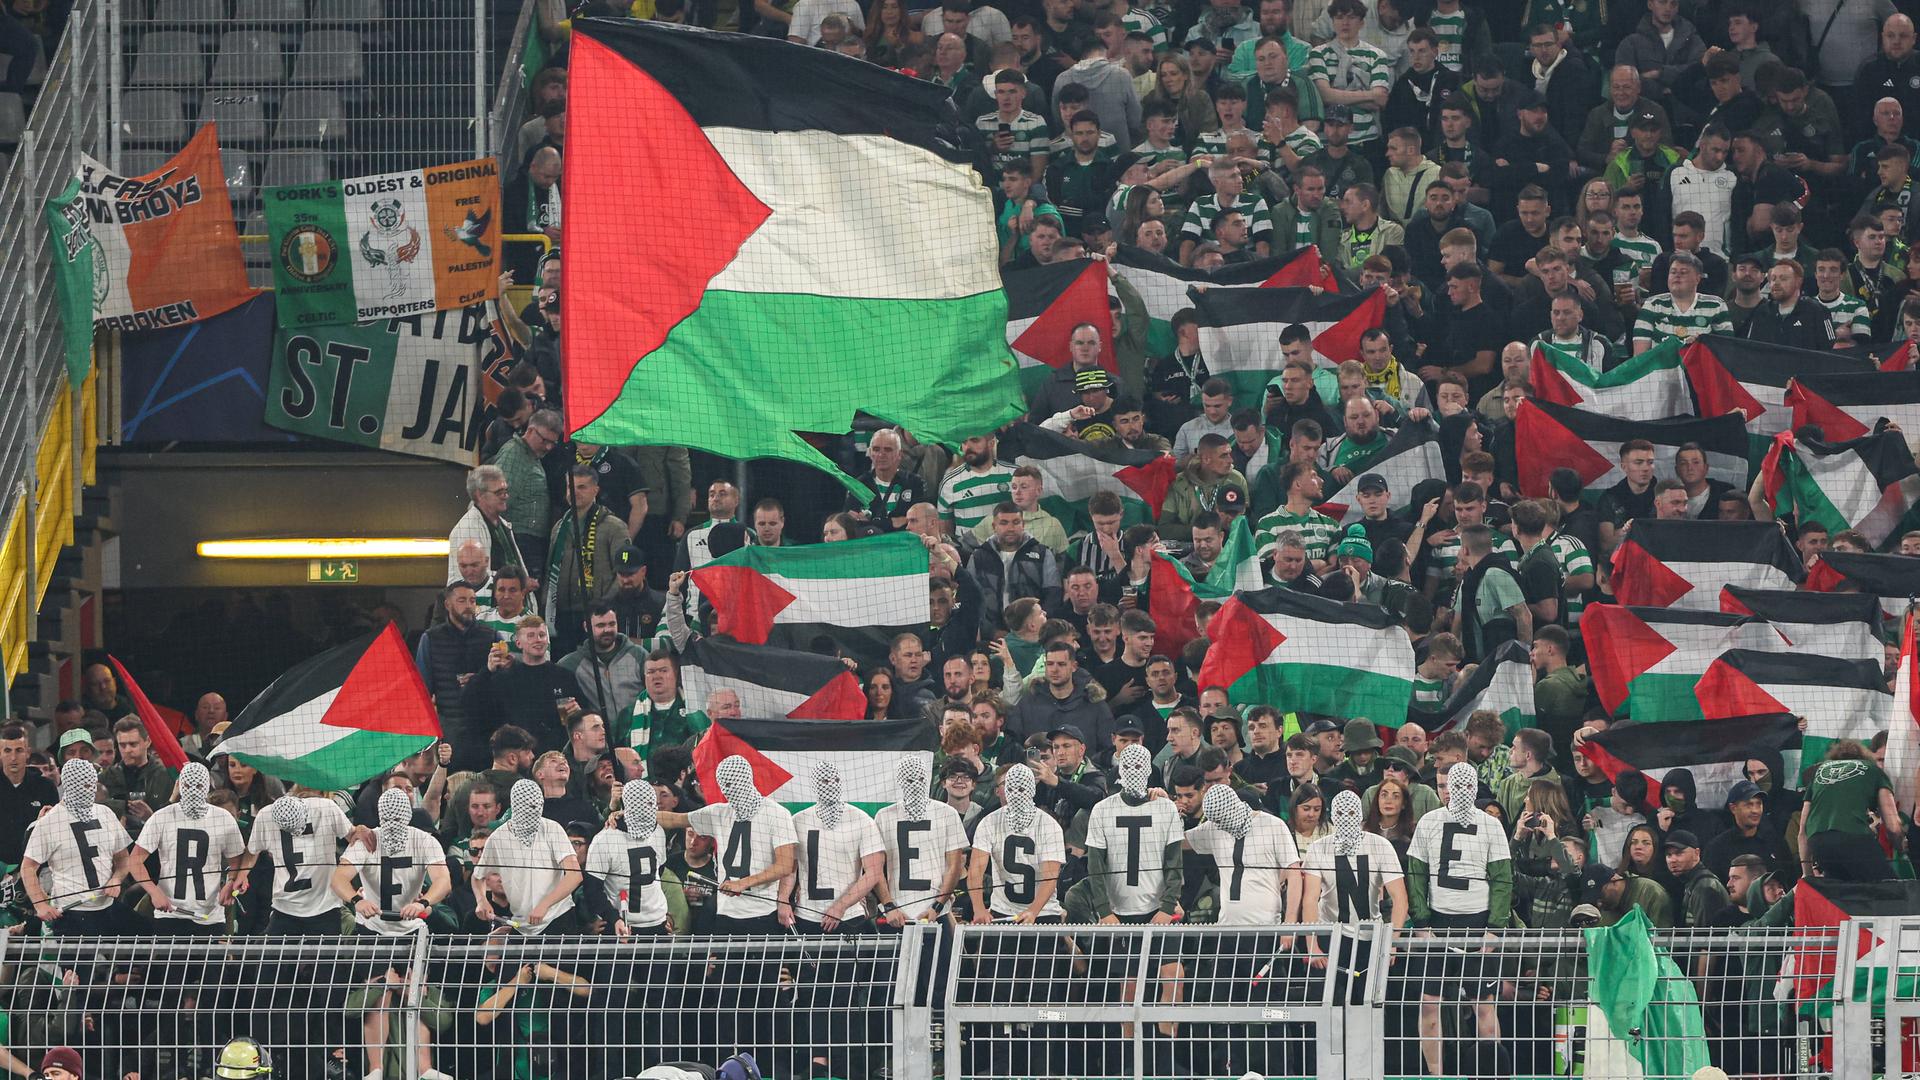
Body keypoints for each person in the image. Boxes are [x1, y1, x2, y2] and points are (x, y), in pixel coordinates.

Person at [1407, 762, 1510, 1078]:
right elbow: (1416, 873)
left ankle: (1490, 1073)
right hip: (1439, 921)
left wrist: (1494, 928)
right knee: (1429, 1003)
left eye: (1469, 786)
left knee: (1484, 1004)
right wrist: (1422, 923)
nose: (1463, 792)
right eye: (1457, 786)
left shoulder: (1491, 825)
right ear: (1447, 788)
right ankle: (1436, 1074)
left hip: (1478, 922)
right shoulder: (1429, 822)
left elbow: (1503, 877)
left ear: (1476, 788)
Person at [1300, 790, 1407, 994]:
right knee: (1327, 1005)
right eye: (1340, 814)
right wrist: (1312, 946)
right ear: (1332, 816)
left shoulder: (1380, 845)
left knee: (1368, 1005)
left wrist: (1391, 942)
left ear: (1359, 815)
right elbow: (1310, 900)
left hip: (1369, 937)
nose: (1345, 820)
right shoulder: (1318, 848)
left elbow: (1400, 898)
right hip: (1330, 935)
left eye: (1350, 814)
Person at [131, 762, 245, 934]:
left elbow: (237, 862)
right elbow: (135, 860)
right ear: (179, 785)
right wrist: (154, 892)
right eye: (187, 785)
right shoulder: (162, 817)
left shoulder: (223, 819)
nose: (192, 790)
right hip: (170, 915)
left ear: (207, 786)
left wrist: (230, 883)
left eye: (198, 785)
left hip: (210, 916)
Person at [22, 759, 132, 933]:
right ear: (69, 785)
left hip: (108, 906)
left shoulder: (105, 813)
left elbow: (123, 857)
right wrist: (40, 905)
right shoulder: (49, 822)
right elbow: (28, 868)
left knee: (143, 937)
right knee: (78, 960)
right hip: (71, 912)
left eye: (92, 784)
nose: (89, 790)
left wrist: (116, 879)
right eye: (84, 786)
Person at [334, 787, 452, 936]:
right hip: (370, 926)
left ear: (408, 815)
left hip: (412, 926)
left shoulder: (425, 841)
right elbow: (339, 878)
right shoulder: (367, 841)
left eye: (396, 819)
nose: (391, 825)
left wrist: (422, 903)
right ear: (379, 816)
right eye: (386, 819)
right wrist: (357, 901)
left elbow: (443, 881)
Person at [787, 761, 886, 932]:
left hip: (849, 915)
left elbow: (873, 872)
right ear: (814, 785)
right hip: (806, 914)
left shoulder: (861, 820)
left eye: (836, 780)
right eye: (825, 781)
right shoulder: (798, 821)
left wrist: (841, 906)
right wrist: (785, 900)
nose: (831, 785)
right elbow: (788, 868)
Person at [475, 779, 585, 933]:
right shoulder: (498, 838)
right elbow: (477, 876)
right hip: (521, 924)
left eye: (539, 805)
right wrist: (481, 901)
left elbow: (575, 875)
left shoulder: (552, 829)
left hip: (558, 916)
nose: (535, 811)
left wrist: (545, 904)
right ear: (517, 806)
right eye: (530, 807)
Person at [873, 757, 969, 924]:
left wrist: (937, 906)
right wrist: (889, 906)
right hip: (897, 912)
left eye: (921, 779)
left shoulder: (947, 813)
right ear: (900, 781)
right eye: (910, 780)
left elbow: (954, 865)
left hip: (936, 911)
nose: (916, 784)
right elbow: (874, 868)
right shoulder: (883, 816)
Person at [241, 792, 354, 934]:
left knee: (325, 955)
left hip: (324, 907)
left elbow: (353, 838)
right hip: (285, 907)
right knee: (270, 954)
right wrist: (239, 876)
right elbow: (252, 851)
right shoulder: (326, 808)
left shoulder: (326, 808)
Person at [968, 763, 1067, 922]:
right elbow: (975, 870)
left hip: (1043, 911)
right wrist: (979, 909)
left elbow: (1050, 877)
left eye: (1021, 789)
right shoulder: (988, 822)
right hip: (1002, 910)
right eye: (1011, 789)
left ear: (1032, 790)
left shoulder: (1049, 825)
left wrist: (1033, 911)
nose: (1015, 795)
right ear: (1002, 790)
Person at [1800, 739, 1901, 882]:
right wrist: (1901, 846)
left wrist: (1807, 874)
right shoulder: (1873, 770)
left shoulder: (1820, 772)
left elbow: (1802, 830)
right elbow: (1893, 825)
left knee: (1844, 891)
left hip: (1819, 844)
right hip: (1854, 840)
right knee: (1891, 890)